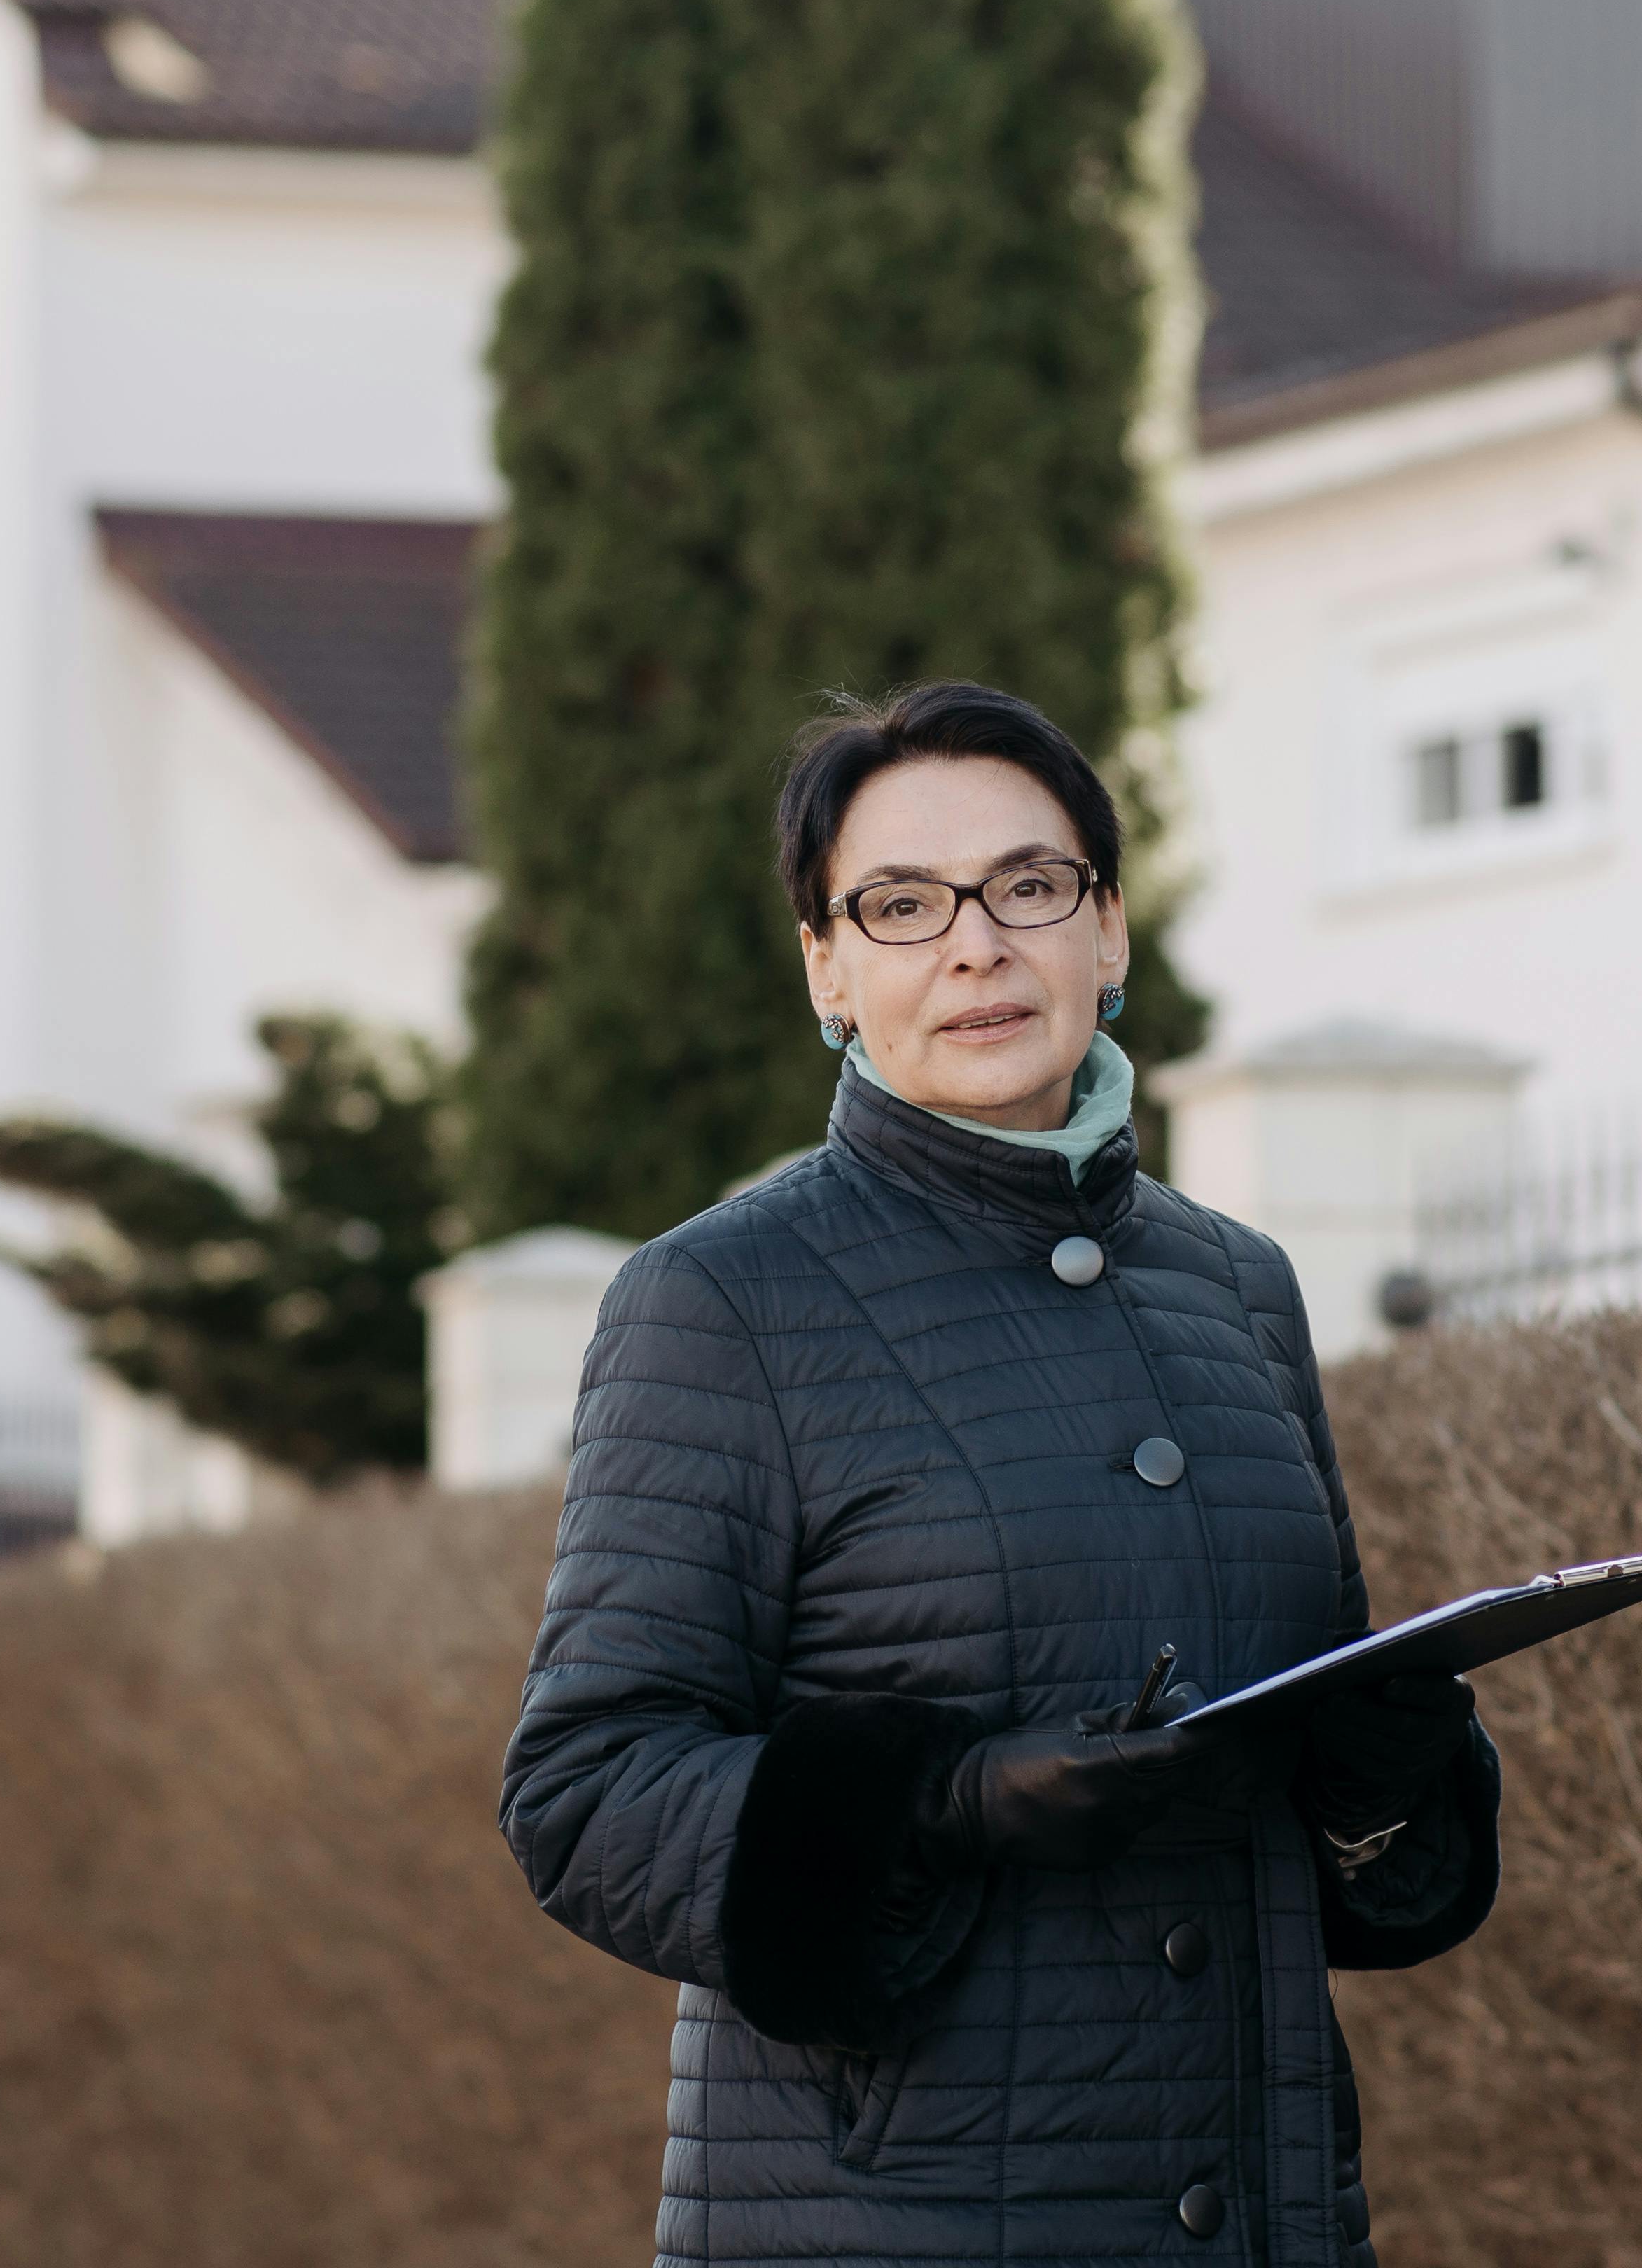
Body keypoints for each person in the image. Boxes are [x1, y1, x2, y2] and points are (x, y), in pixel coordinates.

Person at [499, 680, 1499, 2268]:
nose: (975, 945)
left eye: (1029, 885)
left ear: (1107, 931)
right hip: (891, 2221)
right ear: (826, 969)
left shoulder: (1238, 1285)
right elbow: (586, 1792)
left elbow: (1305, 1797)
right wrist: (939, 1804)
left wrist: (1378, 1775)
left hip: (1263, 2210)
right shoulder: (725, 1299)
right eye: (901, 906)